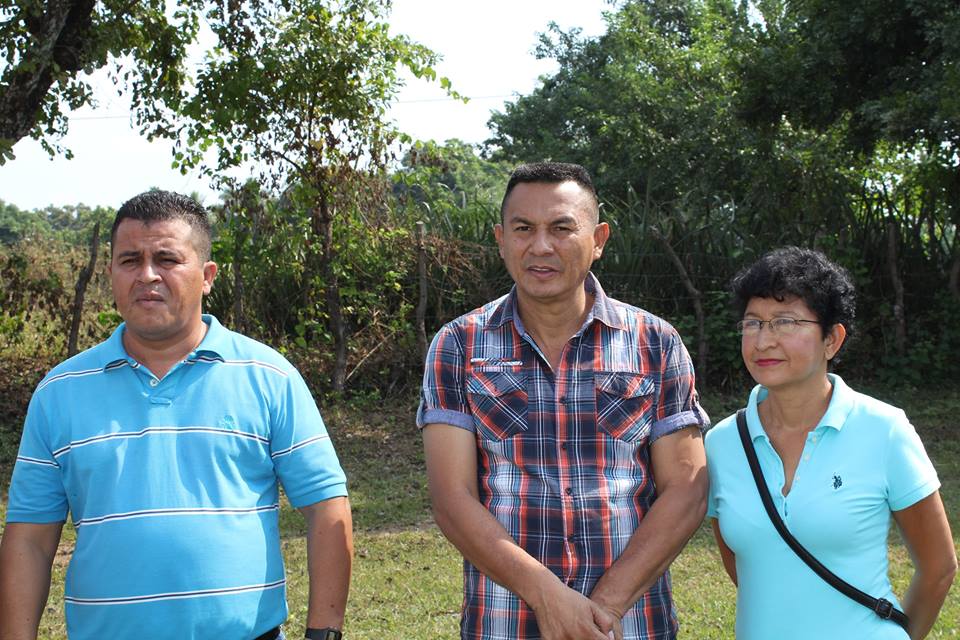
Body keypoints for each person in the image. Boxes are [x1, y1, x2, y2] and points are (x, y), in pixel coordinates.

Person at [0, 191, 353, 640]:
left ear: (207, 276)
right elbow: (29, 540)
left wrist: (324, 632)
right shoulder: (60, 392)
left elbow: (327, 508)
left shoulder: (269, 376)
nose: (147, 275)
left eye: (166, 258)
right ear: (110, 273)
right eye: (129, 260)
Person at [418, 162, 709, 640]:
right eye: (523, 229)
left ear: (598, 239)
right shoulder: (458, 346)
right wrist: (548, 597)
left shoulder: (655, 343)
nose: (540, 247)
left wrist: (602, 609)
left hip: (630, 624)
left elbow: (686, 490)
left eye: (561, 228)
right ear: (500, 238)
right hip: (505, 623)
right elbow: (453, 498)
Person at [706, 246, 957, 639]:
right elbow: (748, 568)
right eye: (752, 323)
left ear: (832, 339)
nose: (763, 341)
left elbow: (939, 566)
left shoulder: (885, 430)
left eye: (785, 322)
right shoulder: (721, 444)